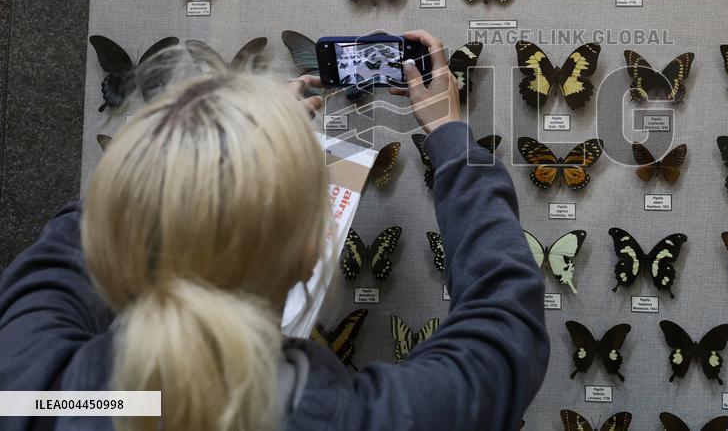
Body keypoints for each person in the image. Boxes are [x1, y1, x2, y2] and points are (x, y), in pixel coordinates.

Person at [0, 30, 549, 431]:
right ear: (313, 251)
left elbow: (59, 263)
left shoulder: (41, 394)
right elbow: (505, 327)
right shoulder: (365, 419)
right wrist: (449, 134)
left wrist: (213, 144)